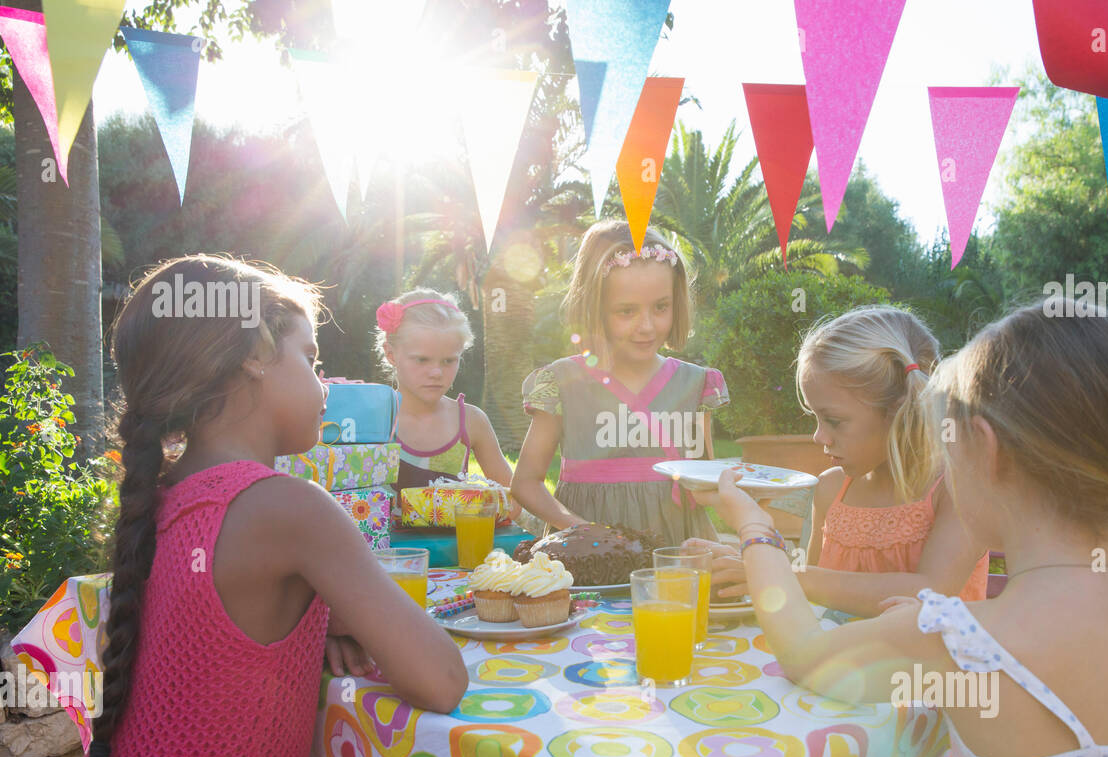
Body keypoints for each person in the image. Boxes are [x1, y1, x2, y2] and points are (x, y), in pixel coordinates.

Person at [693, 299, 1108, 757]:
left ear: (986, 449)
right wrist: (920, 631)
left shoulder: (965, 643)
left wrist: (753, 528)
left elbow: (804, 654)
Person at [24, 256, 467, 757]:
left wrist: (325, 610)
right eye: (311, 361)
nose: (325, 387)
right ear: (254, 355)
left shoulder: (164, 500)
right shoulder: (290, 510)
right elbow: (442, 680)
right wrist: (348, 609)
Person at [696, 306, 988, 615]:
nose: (819, 437)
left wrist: (778, 573)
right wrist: (756, 556)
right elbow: (811, 598)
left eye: (834, 420)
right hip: (839, 660)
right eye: (815, 417)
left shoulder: (957, 490)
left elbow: (928, 592)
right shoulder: (831, 489)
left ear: (900, 412)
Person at [511, 220, 728, 546]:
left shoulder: (696, 385)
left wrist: (746, 499)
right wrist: (582, 531)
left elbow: (704, 482)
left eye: (661, 307)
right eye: (626, 311)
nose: (647, 326)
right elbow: (526, 482)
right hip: (585, 556)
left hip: (675, 555)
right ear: (594, 308)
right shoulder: (563, 383)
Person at [375, 290, 521, 523]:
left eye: (448, 360)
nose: (436, 372)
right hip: (382, 558)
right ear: (391, 354)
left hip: (456, 556)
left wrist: (471, 510)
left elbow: (514, 500)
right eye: (422, 359)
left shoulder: (471, 421)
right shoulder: (372, 420)